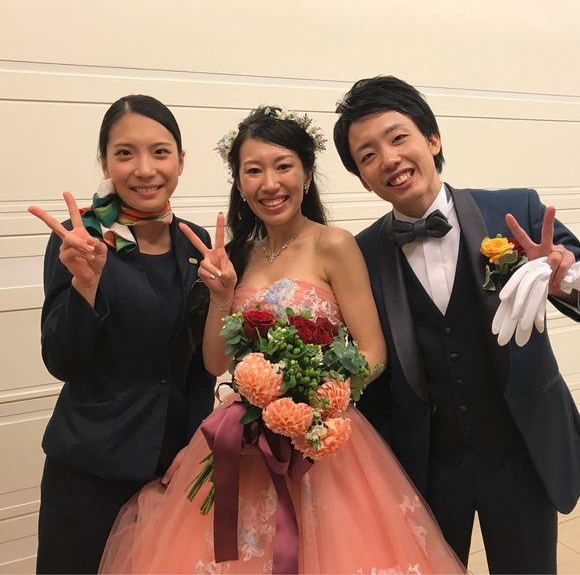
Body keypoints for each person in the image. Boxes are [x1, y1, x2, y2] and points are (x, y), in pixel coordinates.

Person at [99, 106, 464, 574]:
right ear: (239, 183)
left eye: (283, 166)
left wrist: (312, 403)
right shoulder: (238, 255)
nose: (269, 183)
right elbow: (215, 363)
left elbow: (373, 353)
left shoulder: (334, 245)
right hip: (245, 438)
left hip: (323, 441)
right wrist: (222, 296)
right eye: (253, 170)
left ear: (306, 174)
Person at [333, 75, 580, 573]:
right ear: (362, 178)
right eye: (368, 155)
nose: (389, 159)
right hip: (425, 463)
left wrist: (563, 279)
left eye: (398, 138)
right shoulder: (358, 254)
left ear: (432, 139)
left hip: (521, 447)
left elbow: (573, 272)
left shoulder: (515, 210)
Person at [28, 95, 216, 574]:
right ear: (105, 162)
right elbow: (61, 361)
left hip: (171, 469)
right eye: (125, 153)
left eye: (160, 152)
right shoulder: (79, 239)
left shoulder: (196, 242)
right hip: (90, 470)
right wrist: (85, 287)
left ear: (180, 160)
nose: (145, 169)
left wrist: (195, 446)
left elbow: (199, 364)